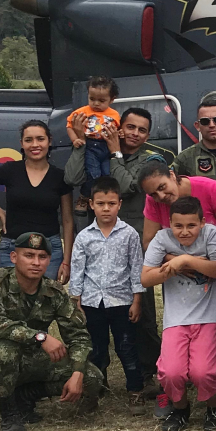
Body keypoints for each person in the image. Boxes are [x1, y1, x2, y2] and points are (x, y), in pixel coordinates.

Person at [64, 107, 167, 394]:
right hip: (98, 239)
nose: (134, 133)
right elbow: (73, 178)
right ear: (119, 127)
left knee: (142, 313)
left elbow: (128, 187)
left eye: (141, 129)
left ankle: (150, 373)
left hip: (137, 240)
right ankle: (98, 376)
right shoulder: (97, 151)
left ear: (148, 135)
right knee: (97, 320)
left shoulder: (150, 159)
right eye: (130, 127)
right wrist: (83, 144)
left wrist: (115, 153)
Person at [0, 231, 105, 431]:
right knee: (4, 351)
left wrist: (78, 373)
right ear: (14, 257)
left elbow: (78, 335)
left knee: (92, 378)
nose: (36, 263)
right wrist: (40, 337)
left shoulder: (53, 291)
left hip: (33, 358)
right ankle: (9, 414)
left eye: (42, 257)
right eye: (29, 255)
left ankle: (25, 397)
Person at [140, 198, 216, 431]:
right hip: (175, 319)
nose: (185, 232)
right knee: (170, 372)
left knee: (203, 371)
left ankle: (214, 408)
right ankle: (180, 409)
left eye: (191, 225)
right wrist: (175, 266)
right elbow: (146, 278)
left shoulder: (211, 234)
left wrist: (184, 259)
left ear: (202, 221)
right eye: (178, 226)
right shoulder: (162, 238)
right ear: (169, 224)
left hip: (209, 316)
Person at [68, 176, 145, 415]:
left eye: (111, 203)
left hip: (121, 301)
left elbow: (136, 268)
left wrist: (137, 300)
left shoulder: (129, 234)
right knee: (97, 348)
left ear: (119, 204)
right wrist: (76, 299)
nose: (106, 208)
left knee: (126, 347)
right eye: (101, 203)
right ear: (91, 204)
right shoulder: (84, 236)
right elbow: (78, 268)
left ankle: (135, 390)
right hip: (92, 302)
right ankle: (97, 386)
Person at [0, 120, 74, 282]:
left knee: (44, 305)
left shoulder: (60, 177)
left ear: (49, 141)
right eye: (29, 140)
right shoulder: (9, 170)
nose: (35, 144)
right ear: (21, 144)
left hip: (49, 250)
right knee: (9, 303)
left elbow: (67, 220)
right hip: (12, 247)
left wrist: (66, 261)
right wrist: (0, 213)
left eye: (40, 139)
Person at [139, 162, 216, 246]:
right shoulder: (152, 200)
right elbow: (148, 242)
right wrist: (177, 260)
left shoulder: (210, 188)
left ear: (172, 175)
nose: (161, 196)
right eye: (153, 194)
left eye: (162, 187)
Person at [65, 75, 122, 196]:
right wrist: (75, 139)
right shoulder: (82, 111)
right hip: (91, 145)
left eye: (101, 101)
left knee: (107, 172)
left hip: (107, 146)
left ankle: (105, 195)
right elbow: (69, 126)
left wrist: (120, 133)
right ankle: (86, 195)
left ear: (112, 99)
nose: (95, 103)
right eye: (92, 99)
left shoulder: (115, 114)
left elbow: (117, 128)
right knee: (93, 173)